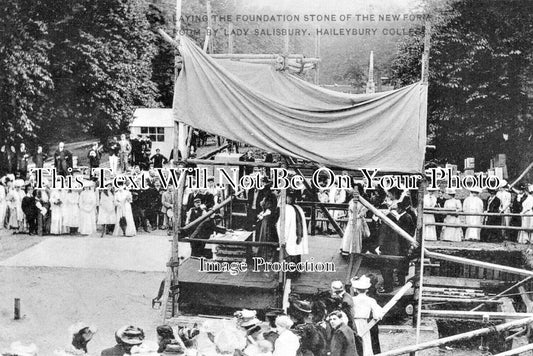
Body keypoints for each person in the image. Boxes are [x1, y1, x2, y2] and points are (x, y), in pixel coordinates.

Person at [277, 191, 308, 277]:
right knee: (296, 252)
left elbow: (285, 226)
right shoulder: (298, 207)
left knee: (289, 253)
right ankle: (296, 271)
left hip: (290, 236)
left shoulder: (287, 208)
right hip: (298, 236)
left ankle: (289, 273)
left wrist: (283, 238)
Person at [351, 275, 383, 356]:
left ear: (356, 290)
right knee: (365, 342)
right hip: (364, 322)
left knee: (355, 341)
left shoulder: (353, 299)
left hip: (354, 322)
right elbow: (378, 314)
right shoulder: (371, 300)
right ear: (366, 290)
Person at [340, 185, 368, 255]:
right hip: (351, 219)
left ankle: (355, 250)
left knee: (356, 233)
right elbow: (349, 210)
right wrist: (351, 217)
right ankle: (346, 249)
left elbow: (363, 212)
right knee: (348, 233)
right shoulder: (352, 201)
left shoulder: (363, 202)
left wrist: (356, 217)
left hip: (358, 219)